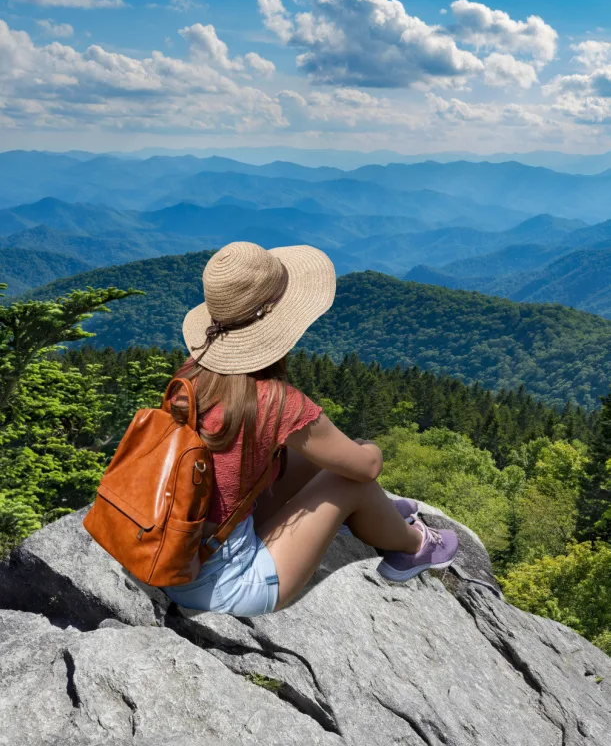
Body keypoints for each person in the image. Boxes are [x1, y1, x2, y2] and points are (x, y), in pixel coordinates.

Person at [160, 241, 458, 617]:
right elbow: (366, 469)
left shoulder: (191, 378)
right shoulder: (273, 400)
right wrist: (373, 450)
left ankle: (375, 515)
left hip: (175, 556)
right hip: (224, 585)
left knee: (310, 457)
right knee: (351, 476)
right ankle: (416, 546)